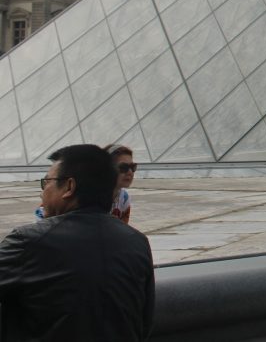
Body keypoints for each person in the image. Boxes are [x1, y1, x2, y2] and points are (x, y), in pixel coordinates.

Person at [0, 144, 155, 341]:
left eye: (46, 182)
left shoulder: (29, 242)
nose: (42, 192)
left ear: (69, 187)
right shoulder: (137, 242)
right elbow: (145, 322)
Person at [105, 143, 136, 224]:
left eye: (133, 167)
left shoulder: (124, 198)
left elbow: (123, 230)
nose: (130, 172)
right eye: (123, 167)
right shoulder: (89, 198)